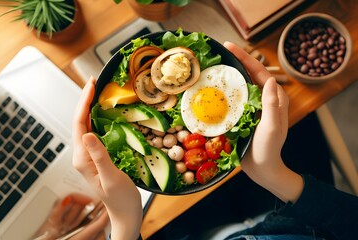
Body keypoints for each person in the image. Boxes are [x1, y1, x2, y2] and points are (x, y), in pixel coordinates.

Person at [72, 41, 358, 240]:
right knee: (304, 125)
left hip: (190, 231)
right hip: (298, 217)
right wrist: (273, 175)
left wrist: (125, 224)